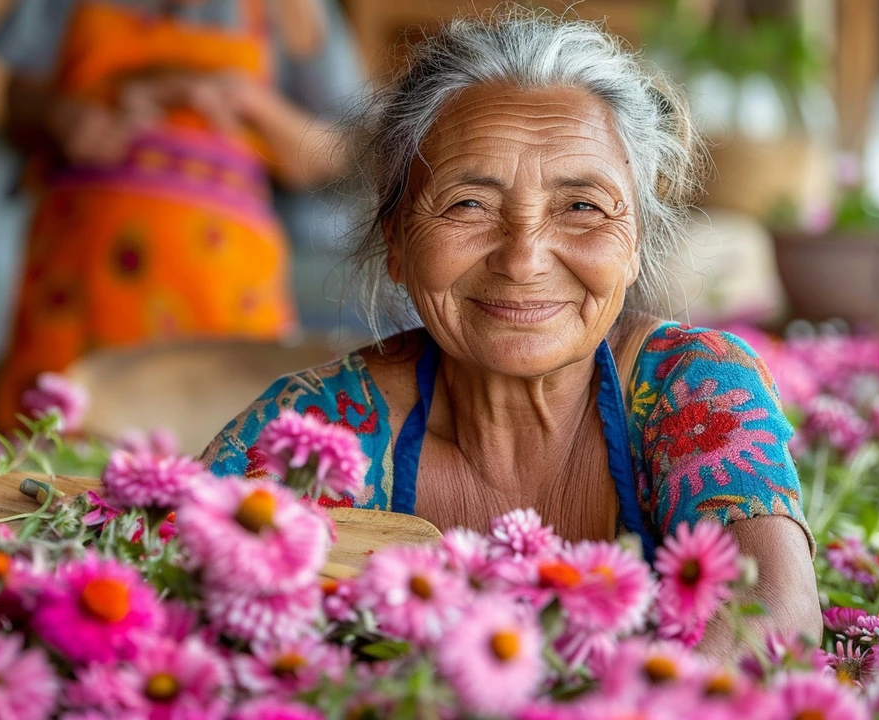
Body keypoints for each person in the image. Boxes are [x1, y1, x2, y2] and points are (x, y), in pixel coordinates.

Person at [202, 10, 820, 653]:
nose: (523, 258)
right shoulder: (315, 429)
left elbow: (773, 619)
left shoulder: (693, 387)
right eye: (468, 204)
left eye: (582, 206)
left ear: (635, 239)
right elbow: (173, 599)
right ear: (397, 240)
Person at [0, 0, 363, 429]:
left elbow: (336, 157)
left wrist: (253, 104)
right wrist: (63, 118)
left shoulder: (294, 9)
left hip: (223, 298)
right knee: (45, 453)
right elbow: (16, 107)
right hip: (75, 290)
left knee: (223, 455)